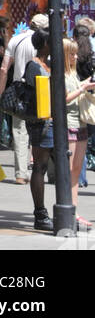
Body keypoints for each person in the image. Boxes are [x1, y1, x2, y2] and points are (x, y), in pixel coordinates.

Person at [0, 13, 49, 184]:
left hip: (21, 91)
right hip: (44, 91)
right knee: (47, 129)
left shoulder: (16, 39)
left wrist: (2, 91)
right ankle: (52, 173)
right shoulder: (47, 41)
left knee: (20, 131)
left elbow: (4, 68)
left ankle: (21, 173)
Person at [64, 36, 95, 228]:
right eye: (72, 54)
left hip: (80, 124)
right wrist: (83, 87)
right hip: (69, 124)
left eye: (76, 54)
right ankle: (69, 209)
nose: (75, 57)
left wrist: (85, 85)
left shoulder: (73, 74)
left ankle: (74, 209)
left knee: (76, 170)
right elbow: (63, 98)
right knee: (69, 170)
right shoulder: (61, 75)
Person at [25, 30, 53, 232]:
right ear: (44, 43)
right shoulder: (34, 66)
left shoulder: (49, 63)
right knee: (40, 167)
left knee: (59, 167)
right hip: (41, 123)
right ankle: (40, 213)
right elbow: (36, 95)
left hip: (53, 122)